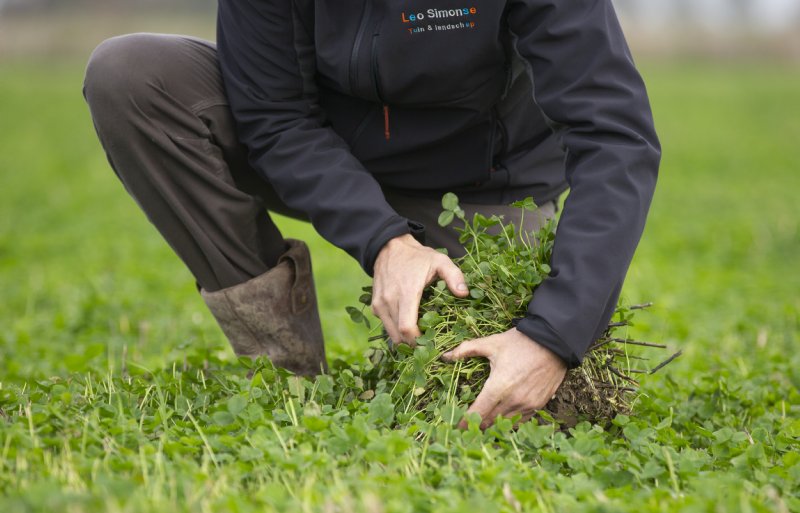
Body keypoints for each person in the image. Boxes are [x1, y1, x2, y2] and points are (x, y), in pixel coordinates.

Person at [83, 0, 660, 429]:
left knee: (490, 412)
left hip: (482, 190)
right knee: (131, 74)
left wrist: (553, 336)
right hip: (326, 153)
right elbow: (275, 117)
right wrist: (385, 241)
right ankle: (283, 374)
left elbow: (615, 137)